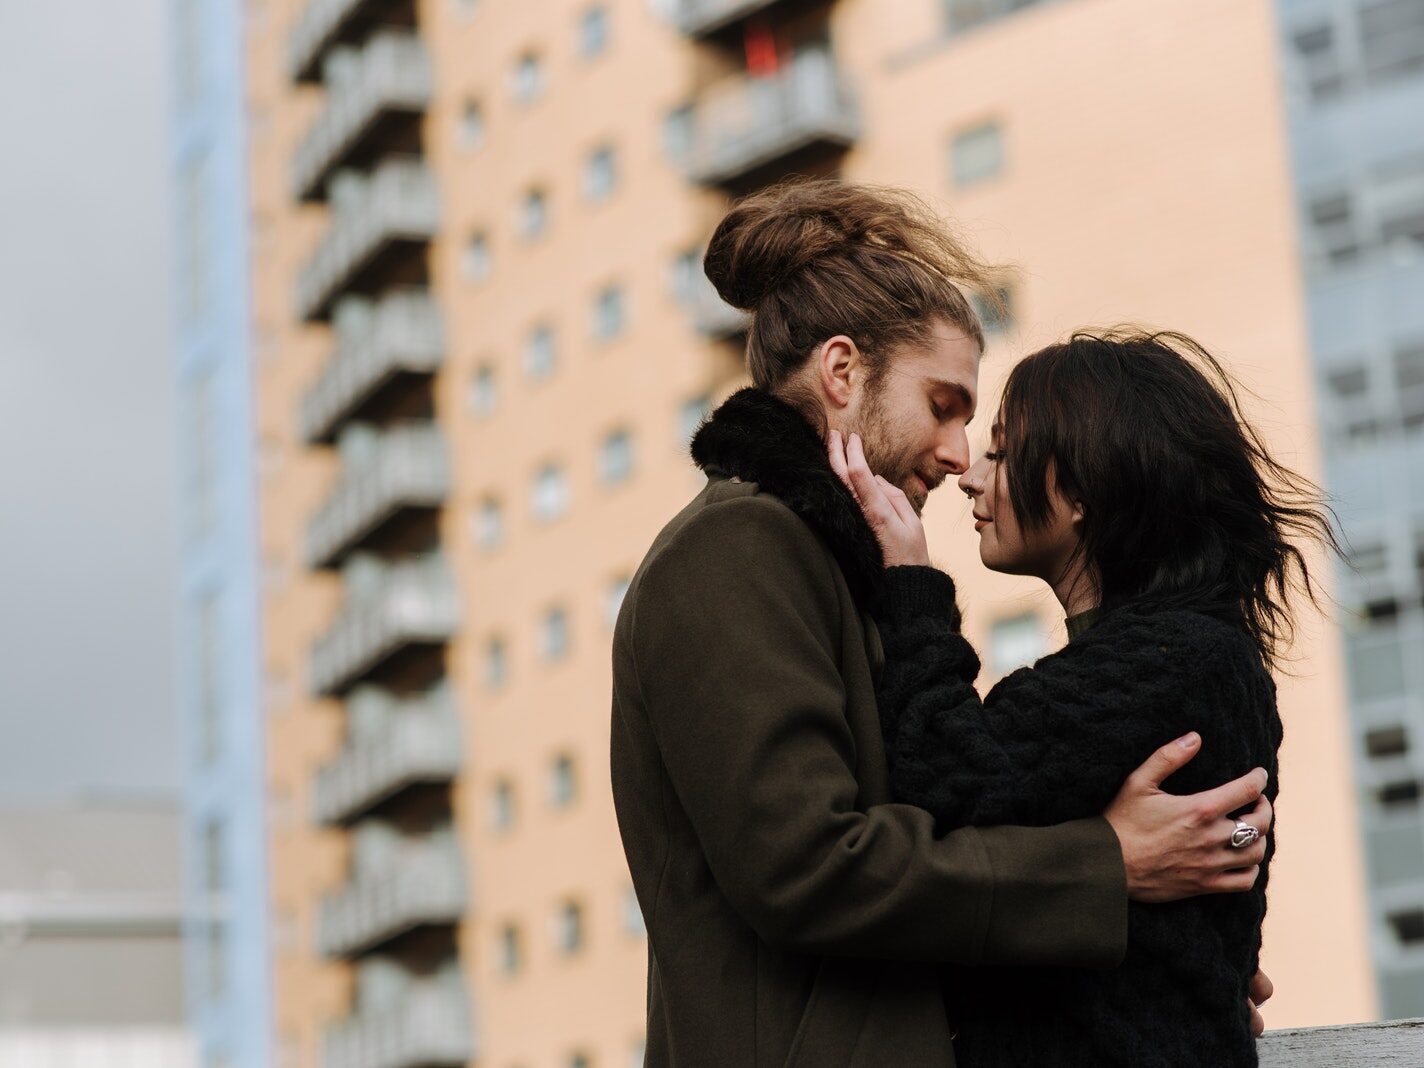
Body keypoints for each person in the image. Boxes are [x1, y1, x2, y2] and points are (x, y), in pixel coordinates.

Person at [609, 180, 1273, 1068]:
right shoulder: (737, 546)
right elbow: (810, 869)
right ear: (842, 373)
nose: (960, 454)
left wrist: (1159, 964)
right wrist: (1105, 870)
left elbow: (943, 834)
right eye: (945, 405)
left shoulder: (837, 571)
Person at [828, 328, 1336, 1066]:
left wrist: (910, 584)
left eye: (1001, 453)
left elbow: (941, 782)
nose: (971, 477)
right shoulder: (1178, 654)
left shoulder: (1171, 660)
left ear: (1081, 493)